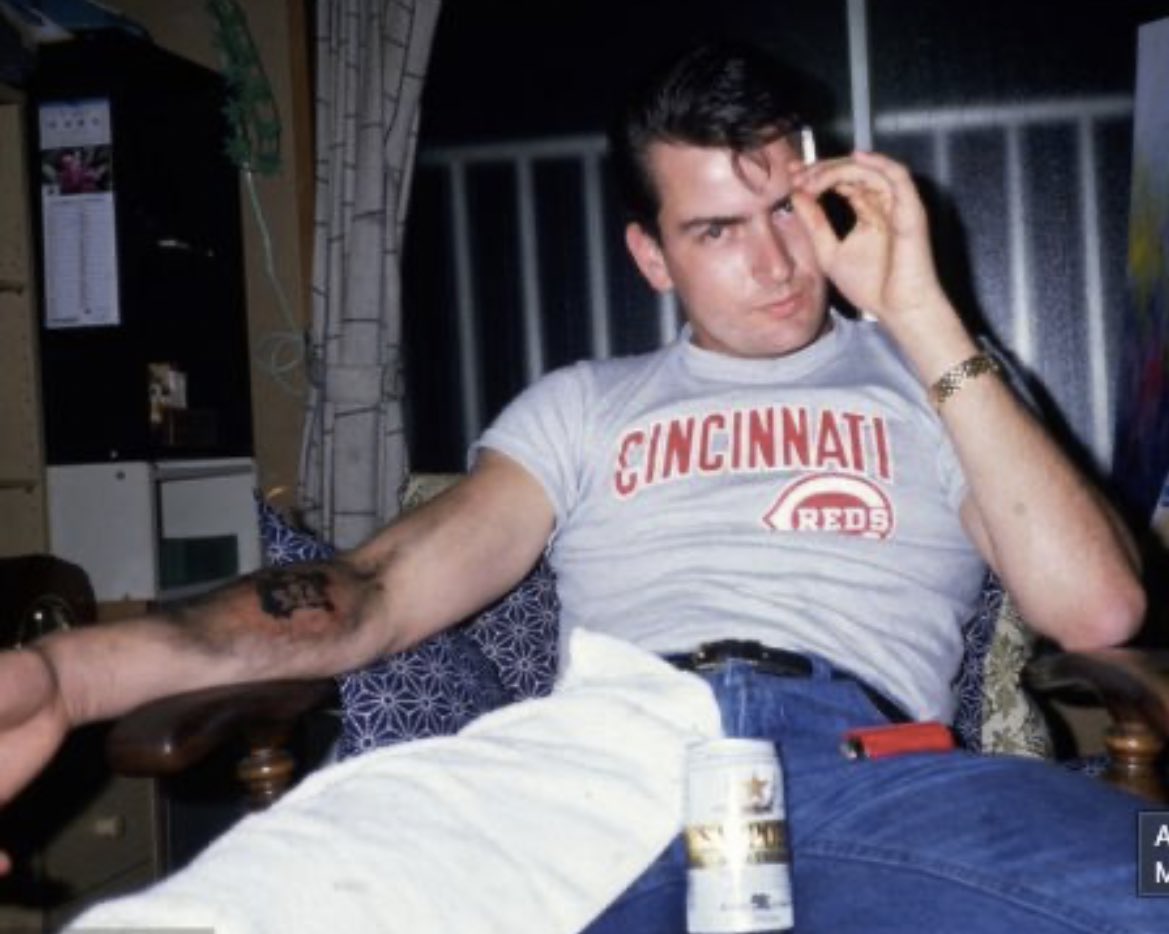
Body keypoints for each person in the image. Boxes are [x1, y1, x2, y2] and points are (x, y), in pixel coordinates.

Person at [0, 41, 1158, 931]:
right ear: (650, 255)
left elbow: (1094, 611)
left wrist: (915, 312)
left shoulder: (943, 383)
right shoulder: (583, 406)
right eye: (715, 230)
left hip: (874, 769)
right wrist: (69, 674)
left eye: (787, 213)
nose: (772, 263)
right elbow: (371, 592)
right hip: (605, 751)